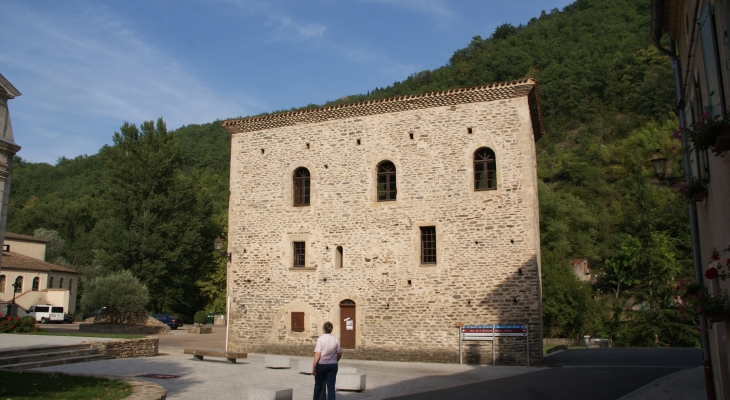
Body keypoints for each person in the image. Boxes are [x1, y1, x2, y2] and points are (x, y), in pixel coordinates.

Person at [312, 321, 342, 400]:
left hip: (322, 364)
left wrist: (314, 367)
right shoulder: (335, 339)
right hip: (332, 365)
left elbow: (317, 354)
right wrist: (335, 360)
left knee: (318, 386)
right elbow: (339, 353)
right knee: (331, 387)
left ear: (324, 329)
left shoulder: (321, 339)